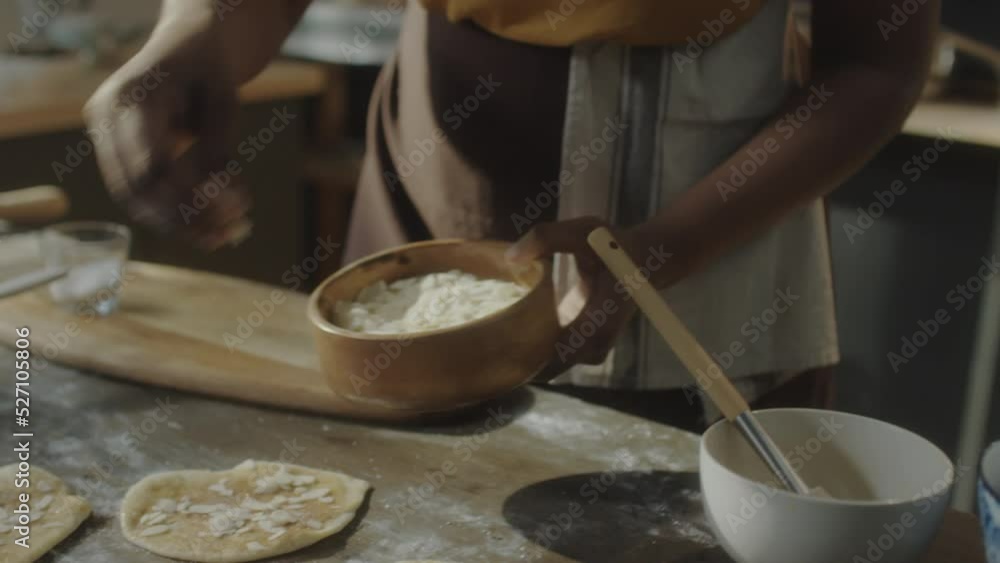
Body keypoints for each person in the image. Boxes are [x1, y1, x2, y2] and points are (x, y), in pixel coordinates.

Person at [84, 0, 939, 431]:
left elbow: (878, 61)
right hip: (434, 182)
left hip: (722, 223)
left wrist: (666, 248)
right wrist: (193, 31)